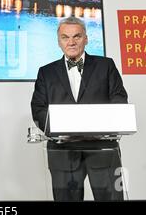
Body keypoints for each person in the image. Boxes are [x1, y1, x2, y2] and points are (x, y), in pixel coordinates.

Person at [31, 16, 128, 201]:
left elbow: (119, 100)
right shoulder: (46, 72)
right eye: (65, 37)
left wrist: (97, 125)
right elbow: (38, 108)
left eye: (77, 36)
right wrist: (59, 129)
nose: (72, 42)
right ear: (59, 42)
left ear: (86, 38)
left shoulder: (106, 66)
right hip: (63, 151)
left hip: (102, 149)